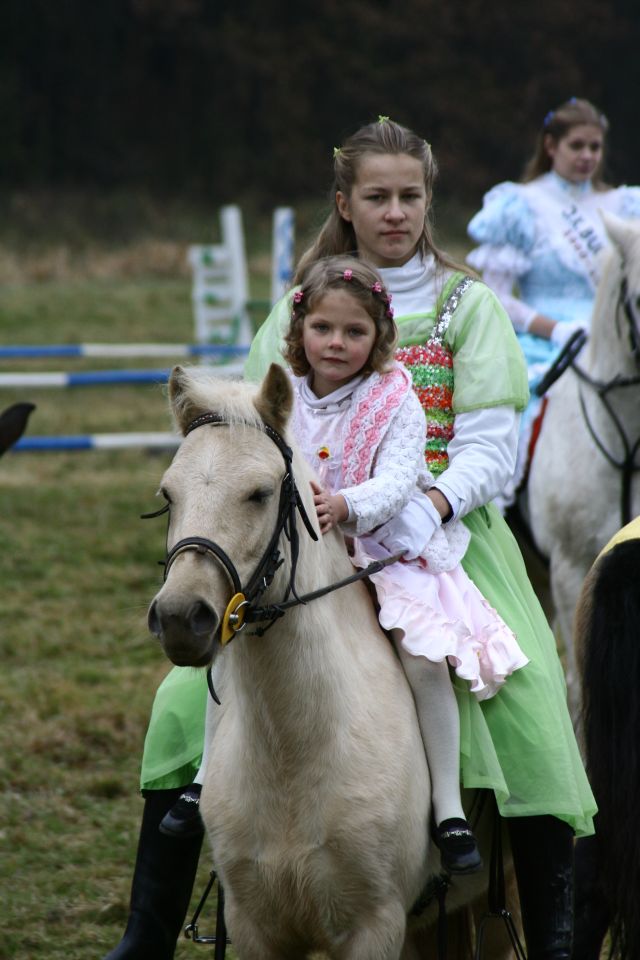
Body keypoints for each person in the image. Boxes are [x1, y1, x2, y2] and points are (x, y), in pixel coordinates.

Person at [104, 118, 596, 960]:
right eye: (378, 196)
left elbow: (488, 444)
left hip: (440, 531)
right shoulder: (299, 305)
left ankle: (553, 936)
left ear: (429, 202)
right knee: (183, 701)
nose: (396, 212)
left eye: (411, 196)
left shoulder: (467, 305)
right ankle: (147, 933)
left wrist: (429, 505)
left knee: (530, 705)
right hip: (299, 533)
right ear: (346, 202)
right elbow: (249, 426)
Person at [466, 97, 640, 496]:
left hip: (613, 338)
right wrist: (555, 329)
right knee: (516, 406)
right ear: (551, 146)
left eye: (594, 147)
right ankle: (509, 501)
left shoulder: (626, 205)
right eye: (576, 146)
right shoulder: (521, 205)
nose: (587, 156)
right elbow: (495, 296)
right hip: (543, 341)